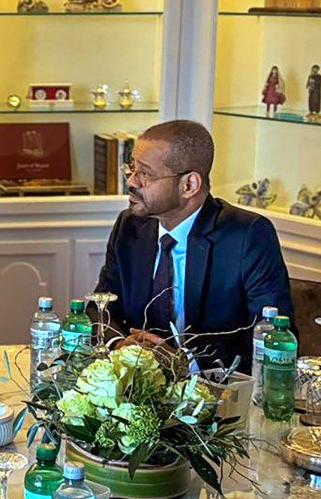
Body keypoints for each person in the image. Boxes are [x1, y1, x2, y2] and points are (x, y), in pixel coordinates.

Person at [93, 120, 293, 371]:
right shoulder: (130, 226)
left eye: (145, 174)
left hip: (214, 385)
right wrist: (120, 345)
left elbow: (273, 335)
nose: (132, 182)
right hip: (136, 382)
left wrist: (185, 361)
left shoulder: (247, 235)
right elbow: (99, 308)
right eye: (132, 168)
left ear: (189, 185)